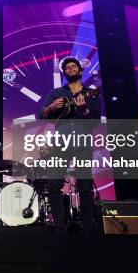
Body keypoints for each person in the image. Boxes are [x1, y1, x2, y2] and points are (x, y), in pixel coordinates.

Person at [39, 57, 101, 232]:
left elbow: (94, 122)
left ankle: (87, 226)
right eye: (67, 67)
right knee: (53, 184)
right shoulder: (57, 93)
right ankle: (59, 224)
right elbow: (41, 115)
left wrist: (84, 110)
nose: (70, 68)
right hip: (61, 143)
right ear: (64, 73)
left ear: (80, 71)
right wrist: (51, 107)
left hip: (82, 142)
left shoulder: (91, 93)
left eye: (74, 66)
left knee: (85, 185)